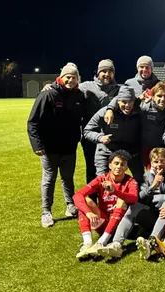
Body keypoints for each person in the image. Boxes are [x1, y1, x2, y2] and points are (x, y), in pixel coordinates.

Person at [96, 148, 165, 259]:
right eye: (156, 161)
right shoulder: (146, 177)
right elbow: (138, 199)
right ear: (151, 163)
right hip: (151, 215)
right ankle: (116, 244)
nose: (159, 164)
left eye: (162, 161)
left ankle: (151, 243)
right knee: (134, 207)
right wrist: (153, 186)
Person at [41, 59, 121, 187]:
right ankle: (92, 199)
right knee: (91, 168)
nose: (107, 74)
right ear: (98, 73)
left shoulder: (119, 89)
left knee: (114, 169)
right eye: (103, 71)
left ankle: (110, 201)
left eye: (110, 71)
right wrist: (51, 86)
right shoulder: (86, 86)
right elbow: (67, 87)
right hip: (90, 137)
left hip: (112, 137)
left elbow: (134, 94)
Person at [27, 62, 85, 227]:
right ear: (61, 77)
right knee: (49, 179)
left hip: (69, 147)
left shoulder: (78, 95)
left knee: (68, 178)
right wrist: (37, 145)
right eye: (68, 77)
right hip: (49, 147)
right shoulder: (48, 95)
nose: (70, 80)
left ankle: (70, 205)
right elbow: (33, 121)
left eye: (74, 77)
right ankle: (46, 212)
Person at [103, 82, 165, 169]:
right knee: (153, 176)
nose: (162, 99)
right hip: (148, 149)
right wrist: (110, 108)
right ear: (153, 96)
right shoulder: (144, 108)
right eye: (159, 96)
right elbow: (122, 98)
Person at [73, 150, 139, 259]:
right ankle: (87, 243)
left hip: (120, 225)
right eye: (116, 163)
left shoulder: (131, 181)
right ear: (109, 165)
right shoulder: (101, 179)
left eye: (122, 164)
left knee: (121, 201)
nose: (119, 167)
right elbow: (77, 195)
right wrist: (89, 213)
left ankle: (101, 242)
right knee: (85, 201)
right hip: (103, 221)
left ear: (126, 167)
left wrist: (115, 191)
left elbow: (134, 198)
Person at [83, 86, 144, 183]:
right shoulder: (105, 112)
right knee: (103, 182)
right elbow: (87, 131)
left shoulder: (139, 112)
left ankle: (137, 198)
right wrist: (100, 137)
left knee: (140, 180)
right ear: (118, 101)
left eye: (130, 102)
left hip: (129, 151)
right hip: (106, 151)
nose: (127, 105)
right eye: (124, 102)